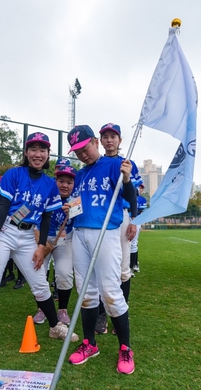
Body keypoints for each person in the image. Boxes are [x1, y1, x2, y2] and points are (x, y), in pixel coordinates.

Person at [0, 132, 78, 371]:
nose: (38, 154)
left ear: (48, 155)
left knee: (40, 284)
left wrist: (40, 246)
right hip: (5, 231)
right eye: (33, 149)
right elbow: (4, 206)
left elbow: (47, 215)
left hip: (29, 236)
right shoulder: (14, 174)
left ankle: (54, 326)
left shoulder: (49, 183)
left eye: (43, 150)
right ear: (26, 152)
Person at [65, 124, 137, 375]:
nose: (82, 154)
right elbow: (77, 204)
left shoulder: (114, 164)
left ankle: (126, 348)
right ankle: (89, 344)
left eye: (84, 148)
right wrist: (70, 208)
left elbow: (130, 198)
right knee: (85, 290)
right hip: (80, 234)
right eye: (77, 151)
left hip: (105, 233)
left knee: (110, 291)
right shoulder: (81, 174)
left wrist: (126, 179)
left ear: (95, 142)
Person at [96, 123, 140, 332]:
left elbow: (134, 197)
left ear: (120, 140)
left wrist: (134, 220)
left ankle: (121, 313)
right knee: (101, 268)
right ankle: (101, 315)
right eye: (105, 136)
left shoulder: (127, 163)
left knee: (123, 268)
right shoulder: (97, 162)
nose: (109, 140)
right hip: (100, 218)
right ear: (100, 141)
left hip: (121, 217)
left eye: (113, 136)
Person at [32, 165, 76, 325]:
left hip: (66, 240)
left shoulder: (76, 200)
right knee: (38, 273)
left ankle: (62, 310)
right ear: (55, 181)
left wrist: (73, 213)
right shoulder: (45, 195)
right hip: (42, 240)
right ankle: (42, 308)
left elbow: (82, 220)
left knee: (64, 273)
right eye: (61, 181)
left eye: (69, 182)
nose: (65, 185)